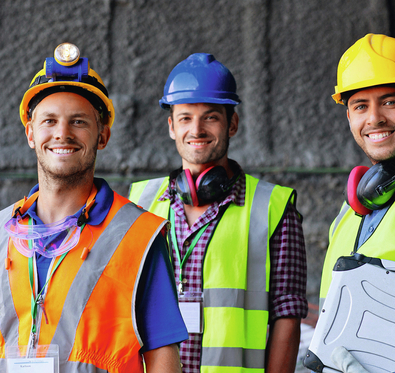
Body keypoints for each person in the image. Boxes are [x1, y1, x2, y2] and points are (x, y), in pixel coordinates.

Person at [0, 43, 188, 372]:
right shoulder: (2, 233)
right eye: (49, 121)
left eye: (79, 122)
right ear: (30, 134)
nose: (62, 133)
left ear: (102, 136)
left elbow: (163, 360)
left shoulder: (137, 235)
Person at [129, 53, 308, 373]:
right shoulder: (139, 202)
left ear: (233, 124)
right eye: (185, 118)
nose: (196, 129)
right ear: (171, 126)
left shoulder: (274, 207)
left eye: (210, 117)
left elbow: (288, 315)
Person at [319, 33, 395, 373]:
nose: (374, 118)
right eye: (360, 106)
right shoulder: (353, 207)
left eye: (390, 102)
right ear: (349, 117)